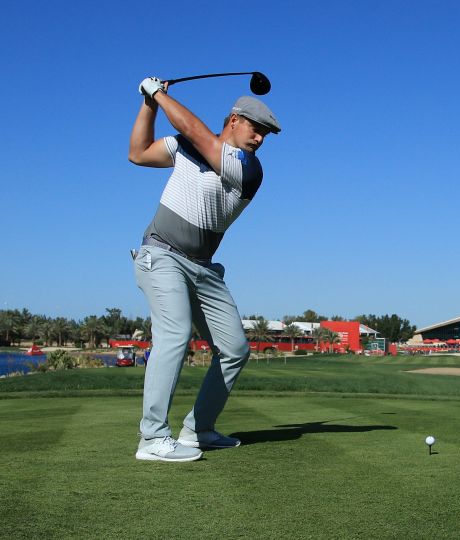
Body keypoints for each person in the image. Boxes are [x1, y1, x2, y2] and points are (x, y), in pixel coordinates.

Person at [128, 76, 281, 462]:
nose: (260, 138)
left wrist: (158, 93)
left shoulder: (249, 168)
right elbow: (139, 152)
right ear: (234, 119)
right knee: (175, 334)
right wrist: (148, 103)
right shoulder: (185, 148)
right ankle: (152, 437)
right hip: (161, 255)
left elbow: (193, 130)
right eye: (256, 129)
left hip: (204, 270)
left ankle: (199, 430)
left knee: (234, 349)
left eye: (266, 134)